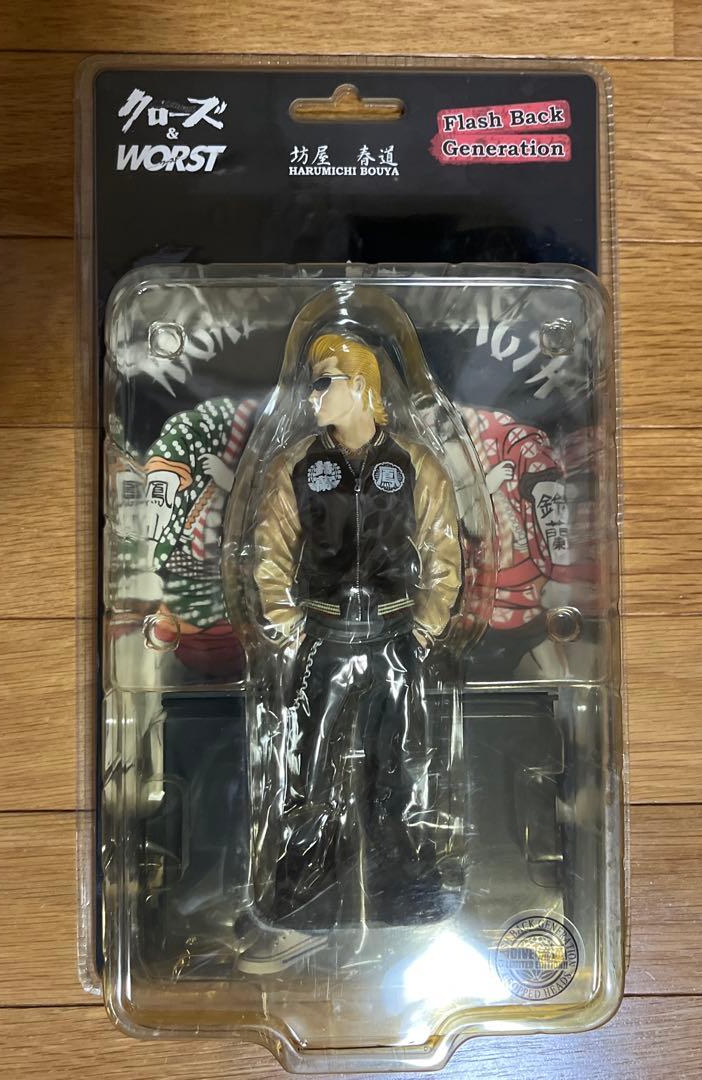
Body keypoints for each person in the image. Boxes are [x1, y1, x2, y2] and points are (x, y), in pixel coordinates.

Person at [247, 329, 462, 951]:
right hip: (324, 634)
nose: (313, 395)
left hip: (394, 634)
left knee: (399, 769)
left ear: (361, 385)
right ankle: (301, 893)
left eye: (325, 382)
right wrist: (288, 627)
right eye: (312, 382)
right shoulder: (297, 467)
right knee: (308, 767)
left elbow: (442, 547)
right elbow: (270, 550)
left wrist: (427, 624)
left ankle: (405, 889)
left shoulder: (414, 465)